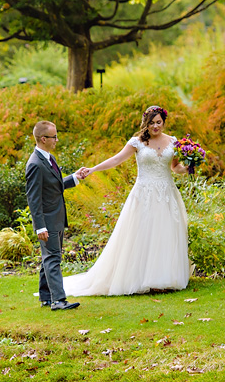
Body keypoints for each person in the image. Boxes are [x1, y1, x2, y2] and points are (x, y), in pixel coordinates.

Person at [64, 106, 191, 296]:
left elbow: (175, 167)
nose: (155, 126)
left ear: (164, 123)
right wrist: (92, 169)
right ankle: (142, 279)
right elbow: (116, 160)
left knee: (165, 233)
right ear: (145, 124)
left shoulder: (173, 142)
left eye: (158, 123)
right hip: (144, 195)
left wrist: (189, 167)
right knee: (143, 235)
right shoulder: (137, 142)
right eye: (151, 123)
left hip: (166, 193)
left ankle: (164, 279)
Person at [25, 120, 88, 311]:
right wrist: (40, 227)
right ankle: (58, 301)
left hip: (56, 217)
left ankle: (45, 296)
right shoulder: (35, 164)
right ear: (43, 139)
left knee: (49, 257)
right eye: (54, 137)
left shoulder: (48, 158)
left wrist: (75, 178)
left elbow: (54, 185)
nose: (57, 140)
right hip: (47, 220)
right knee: (53, 258)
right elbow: (33, 198)